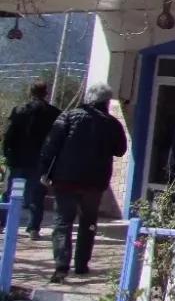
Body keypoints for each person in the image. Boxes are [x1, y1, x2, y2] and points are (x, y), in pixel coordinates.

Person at [39, 83, 127, 283]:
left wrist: (45, 171)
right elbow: (120, 150)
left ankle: (61, 267)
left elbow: (51, 145)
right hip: (94, 183)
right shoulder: (112, 123)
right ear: (106, 101)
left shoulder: (69, 116)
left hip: (66, 179)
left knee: (63, 222)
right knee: (89, 223)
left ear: (89, 97)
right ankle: (81, 264)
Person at [3, 81, 60, 239]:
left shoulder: (19, 110)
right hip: (40, 160)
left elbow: (9, 134)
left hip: (18, 158)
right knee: (37, 194)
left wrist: (7, 153)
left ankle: (3, 224)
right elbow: (56, 139)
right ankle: (33, 228)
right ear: (46, 93)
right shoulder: (54, 113)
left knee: (11, 192)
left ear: (30, 92)